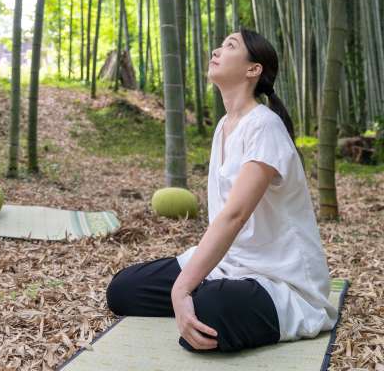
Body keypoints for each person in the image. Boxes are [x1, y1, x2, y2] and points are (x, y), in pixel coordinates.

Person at [105, 28, 339, 353]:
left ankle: (207, 298)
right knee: (123, 290)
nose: (216, 50)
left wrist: (182, 290)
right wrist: (184, 289)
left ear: (252, 69)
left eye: (230, 46)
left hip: (279, 278)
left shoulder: (265, 126)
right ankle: (203, 295)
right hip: (228, 266)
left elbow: (234, 215)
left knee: (208, 309)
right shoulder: (224, 126)